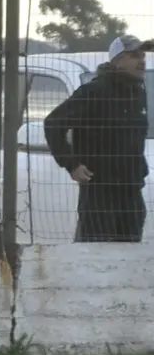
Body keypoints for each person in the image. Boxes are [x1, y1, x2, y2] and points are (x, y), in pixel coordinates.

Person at [43, 34, 152, 242]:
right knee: (93, 257)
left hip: (131, 192)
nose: (141, 60)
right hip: (100, 194)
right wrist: (71, 164)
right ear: (117, 60)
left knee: (129, 261)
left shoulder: (137, 91)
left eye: (143, 55)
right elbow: (53, 123)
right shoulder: (95, 90)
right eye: (134, 55)